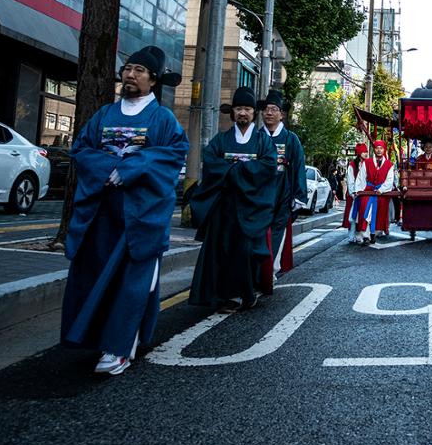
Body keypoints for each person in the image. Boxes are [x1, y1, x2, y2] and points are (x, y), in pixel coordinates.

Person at [60, 47, 188, 376]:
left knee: (132, 283)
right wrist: (107, 168)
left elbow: (174, 156)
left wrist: (133, 167)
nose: (130, 75)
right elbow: (82, 149)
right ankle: (97, 337)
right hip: (102, 214)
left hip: (140, 215)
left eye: (139, 71)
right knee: (96, 276)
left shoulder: (163, 120)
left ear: (153, 80)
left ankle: (119, 348)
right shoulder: (104, 115)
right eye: (128, 69)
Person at [188, 87, 277, 313]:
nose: (243, 113)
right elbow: (210, 162)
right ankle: (226, 296)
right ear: (233, 112)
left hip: (251, 206)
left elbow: (267, 166)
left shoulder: (262, 142)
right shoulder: (221, 140)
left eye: (247, 108)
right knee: (223, 250)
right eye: (238, 108)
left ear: (253, 112)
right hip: (224, 207)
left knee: (247, 251)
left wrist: (233, 171)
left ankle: (246, 293)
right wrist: (240, 170)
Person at [258, 90, 306, 278]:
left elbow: (298, 167)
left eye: (274, 109)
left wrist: (298, 195)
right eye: (266, 109)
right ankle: (256, 271)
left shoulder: (290, 139)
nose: (269, 113)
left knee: (277, 232)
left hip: (282, 193)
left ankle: (270, 270)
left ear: (281, 114)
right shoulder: (257, 136)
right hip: (257, 194)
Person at [355, 139, 395, 244]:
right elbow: (361, 177)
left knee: (380, 213)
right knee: (365, 210)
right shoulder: (367, 162)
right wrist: (360, 190)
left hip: (381, 193)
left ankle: (375, 233)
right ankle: (366, 235)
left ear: (384, 150)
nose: (379, 150)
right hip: (368, 191)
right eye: (377, 148)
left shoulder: (389, 164)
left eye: (381, 148)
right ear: (374, 150)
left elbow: (389, 180)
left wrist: (381, 190)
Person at [342, 143, 369, 243]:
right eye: (363, 152)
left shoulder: (367, 164)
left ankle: (360, 235)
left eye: (366, 152)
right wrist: (353, 193)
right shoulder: (352, 165)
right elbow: (350, 181)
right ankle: (351, 234)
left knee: (362, 215)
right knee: (352, 215)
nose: (366, 154)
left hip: (364, 194)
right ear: (359, 153)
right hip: (353, 195)